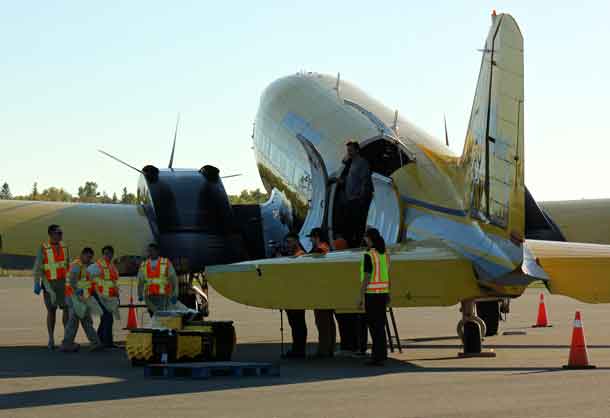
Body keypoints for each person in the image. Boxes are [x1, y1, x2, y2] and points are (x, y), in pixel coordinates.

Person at [33, 224, 71, 350]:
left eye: (61, 233)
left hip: (63, 283)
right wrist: (36, 283)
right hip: (49, 284)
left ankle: (67, 338)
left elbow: (68, 265)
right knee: (52, 310)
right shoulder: (43, 248)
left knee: (67, 309)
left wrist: (72, 282)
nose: (61, 235)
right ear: (51, 234)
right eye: (58, 233)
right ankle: (51, 339)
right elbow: (38, 267)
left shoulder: (65, 247)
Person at [60, 247, 104, 352]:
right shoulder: (76, 265)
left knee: (84, 320)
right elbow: (72, 281)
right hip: (75, 297)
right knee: (75, 321)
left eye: (90, 257)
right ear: (82, 255)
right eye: (88, 257)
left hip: (82, 297)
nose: (89, 259)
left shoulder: (87, 266)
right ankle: (69, 343)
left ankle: (92, 342)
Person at [357, 228, 390, 366]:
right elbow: (388, 275)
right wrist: (389, 293)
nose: (364, 240)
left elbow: (367, 276)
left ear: (369, 238)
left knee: (374, 327)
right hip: (383, 294)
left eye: (365, 237)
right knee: (380, 326)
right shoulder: (385, 254)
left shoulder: (369, 255)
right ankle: (382, 354)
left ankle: (376, 357)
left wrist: (360, 296)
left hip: (372, 295)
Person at [339, 141, 373, 247]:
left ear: (357, 150)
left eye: (350, 150)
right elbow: (352, 178)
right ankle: (349, 244)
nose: (348, 152)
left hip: (357, 201)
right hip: (350, 200)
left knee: (356, 226)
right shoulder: (352, 162)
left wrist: (361, 199)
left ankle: (356, 246)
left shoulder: (362, 163)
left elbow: (365, 181)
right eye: (347, 150)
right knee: (348, 225)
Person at [309, 228, 336, 358]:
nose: (310, 240)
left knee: (323, 321)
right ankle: (329, 348)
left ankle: (324, 350)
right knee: (328, 321)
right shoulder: (326, 247)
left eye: (312, 237)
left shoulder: (320, 249)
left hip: (321, 290)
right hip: (327, 288)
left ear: (317, 237)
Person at [88, 245, 120, 348]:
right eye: (106, 254)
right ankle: (108, 342)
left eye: (110, 254)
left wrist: (116, 295)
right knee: (108, 318)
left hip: (108, 298)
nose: (108, 256)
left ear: (112, 254)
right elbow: (87, 276)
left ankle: (99, 339)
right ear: (103, 254)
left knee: (105, 318)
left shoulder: (112, 267)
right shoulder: (97, 266)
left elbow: (113, 283)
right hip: (99, 296)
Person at [281, 232, 307, 359]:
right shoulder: (291, 255)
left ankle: (299, 350)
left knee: (298, 323)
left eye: (290, 242)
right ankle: (297, 348)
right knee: (294, 323)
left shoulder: (300, 255)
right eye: (286, 242)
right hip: (290, 294)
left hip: (297, 295)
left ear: (296, 242)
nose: (287, 245)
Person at [137, 243, 179, 317]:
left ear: (157, 251)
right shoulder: (144, 265)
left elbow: (174, 279)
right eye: (149, 251)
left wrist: (175, 294)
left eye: (152, 251)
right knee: (156, 317)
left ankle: (163, 327)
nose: (150, 253)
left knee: (160, 317)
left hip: (163, 296)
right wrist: (140, 294)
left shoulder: (165, 263)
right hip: (149, 297)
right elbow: (141, 281)